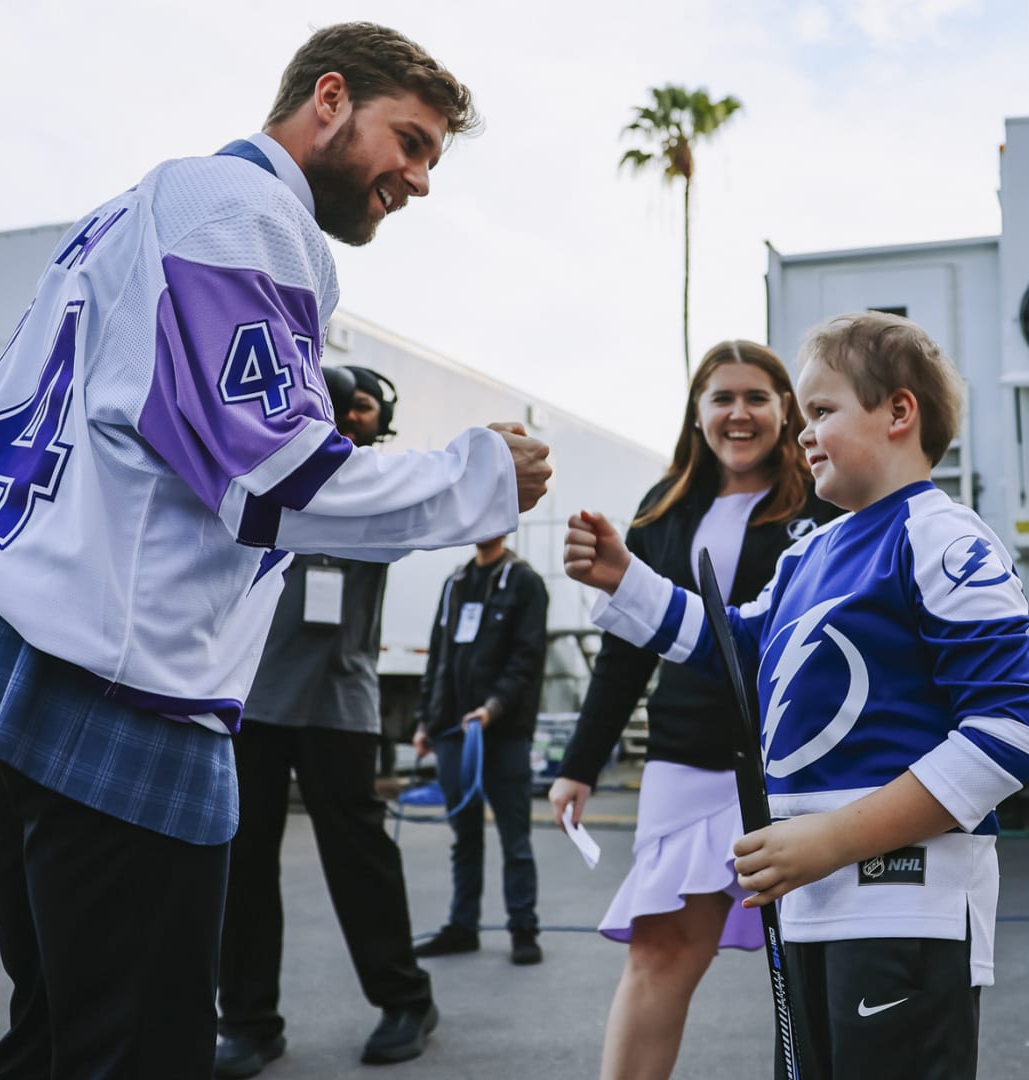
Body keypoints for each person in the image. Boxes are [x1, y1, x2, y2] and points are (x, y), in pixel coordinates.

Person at [0, 22, 552, 1078]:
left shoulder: (131, 213)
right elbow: (271, 476)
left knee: (59, 1034)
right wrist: (481, 476)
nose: (421, 180)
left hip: (15, 636)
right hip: (105, 674)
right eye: (412, 142)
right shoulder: (238, 207)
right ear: (328, 100)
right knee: (136, 1051)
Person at [563, 311, 1029, 1080]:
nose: (802, 435)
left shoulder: (947, 539)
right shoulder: (811, 552)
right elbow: (732, 649)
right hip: (811, 902)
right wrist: (627, 579)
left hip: (904, 903)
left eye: (821, 411)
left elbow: (1007, 738)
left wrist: (831, 840)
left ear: (898, 411)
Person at [545, 340, 839, 1080]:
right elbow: (625, 651)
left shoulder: (828, 504)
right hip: (685, 765)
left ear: (786, 410)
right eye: (721, 398)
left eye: (757, 397)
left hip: (798, 771)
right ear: (698, 412)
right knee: (659, 955)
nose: (738, 413)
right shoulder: (663, 507)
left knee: (820, 969)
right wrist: (579, 766)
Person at [215, 364, 438, 1077]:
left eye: (363, 405)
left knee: (358, 859)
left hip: (338, 703)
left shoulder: (370, 482)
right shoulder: (272, 469)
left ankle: (407, 1000)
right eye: (337, 401)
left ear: (381, 420)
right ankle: (250, 1021)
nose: (347, 412)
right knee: (243, 864)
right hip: (254, 698)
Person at [410, 534, 550, 965]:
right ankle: (462, 926)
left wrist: (492, 709)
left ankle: (523, 928)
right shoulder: (455, 582)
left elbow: (527, 660)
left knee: (516, 839)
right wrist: (426, 721)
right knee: (464, 838)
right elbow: (438, 656)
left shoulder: (525, 583)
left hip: (502, 733)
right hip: (453, 730)